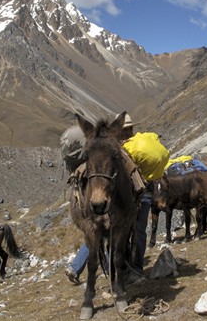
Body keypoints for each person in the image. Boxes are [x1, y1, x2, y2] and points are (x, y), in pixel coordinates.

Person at [64, 113, 152, 285]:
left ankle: (79, 267)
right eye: (127, 130)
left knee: (96, 235)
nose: (128, 133)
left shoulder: (120, 145)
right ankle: (133, 269)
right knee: (133, 232)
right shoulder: (121, 147)